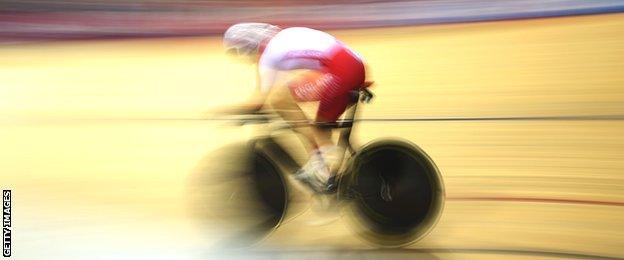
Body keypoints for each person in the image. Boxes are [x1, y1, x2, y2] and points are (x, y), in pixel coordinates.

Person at [221, 23, 367, 192]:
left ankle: (322, 162)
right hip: (352, 66)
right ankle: (328, 169)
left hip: (341, 72)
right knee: (290, 103)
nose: (245, 59)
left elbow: (258, 102)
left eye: (239, 53)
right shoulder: (281, 40)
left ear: (246, 47)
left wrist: (228, 113)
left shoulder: (268, 55)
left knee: (281, 102)